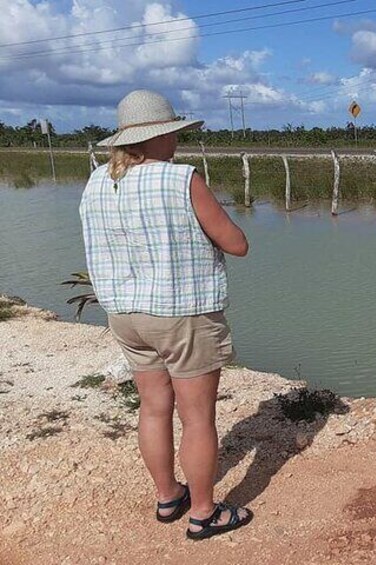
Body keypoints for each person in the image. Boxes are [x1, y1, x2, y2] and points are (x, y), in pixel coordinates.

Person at [80, 90, 252, 540]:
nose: (176, 140)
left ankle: (167, 496)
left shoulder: (98, 180)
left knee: (154, 408)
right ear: (156, 138)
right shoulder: (181, 179)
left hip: (126, 314)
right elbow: (237, 243)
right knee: (197, 418)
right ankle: (203, 513)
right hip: (182, 314)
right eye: (171, 133)